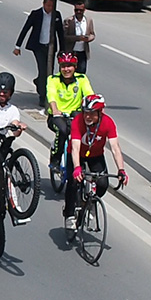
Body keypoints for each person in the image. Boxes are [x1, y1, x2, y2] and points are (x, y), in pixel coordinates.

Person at [66, 94, 127, 230]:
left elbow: (115, 148)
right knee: (73, 182)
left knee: (103, 184)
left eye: (92, 113)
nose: (87, 117)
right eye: (85, 113)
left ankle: (90, 202)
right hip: (77, 155)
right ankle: (69, 214)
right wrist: (77, 168)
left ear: (101, 112)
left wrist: (121, 170)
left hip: (96, 155)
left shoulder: (108, 123)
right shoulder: (77, 121)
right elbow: (75, 148)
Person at [46, 53, 94, 179]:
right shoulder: (53, 79)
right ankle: (55, 159)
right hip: (57, 117)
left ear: (75, 66)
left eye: (70, 66)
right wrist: (55, 110)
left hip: (75, 115)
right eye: (63, 66)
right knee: (63, 131)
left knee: (83, 133)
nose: (66, 69)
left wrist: (93, 108)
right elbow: (51, 96)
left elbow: (89, 95)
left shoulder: (82, 79)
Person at [13, 0, 65, 107]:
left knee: (49, 72)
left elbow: (60, 33)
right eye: (48, 5)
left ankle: (39, 83)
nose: (49, 8)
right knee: (43, 70)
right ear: (43, 4)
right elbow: (25, 28)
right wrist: (18, 46)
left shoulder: (56, 15)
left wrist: (62, 50)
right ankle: (43, 96)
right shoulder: (36, 14)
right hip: (38, 47)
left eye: (52, 6)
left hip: (51, 47)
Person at [63, 2, 96, 74]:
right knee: (70, 73)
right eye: (76, 10)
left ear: (84, 10)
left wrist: (88, 39)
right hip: (71, 52)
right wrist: (78, 38)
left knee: (81, 73)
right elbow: (65, 37)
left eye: (80, 10)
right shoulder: (69, 20)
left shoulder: (88, 20)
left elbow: (92, 34)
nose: (78, 12)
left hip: (82, 52)